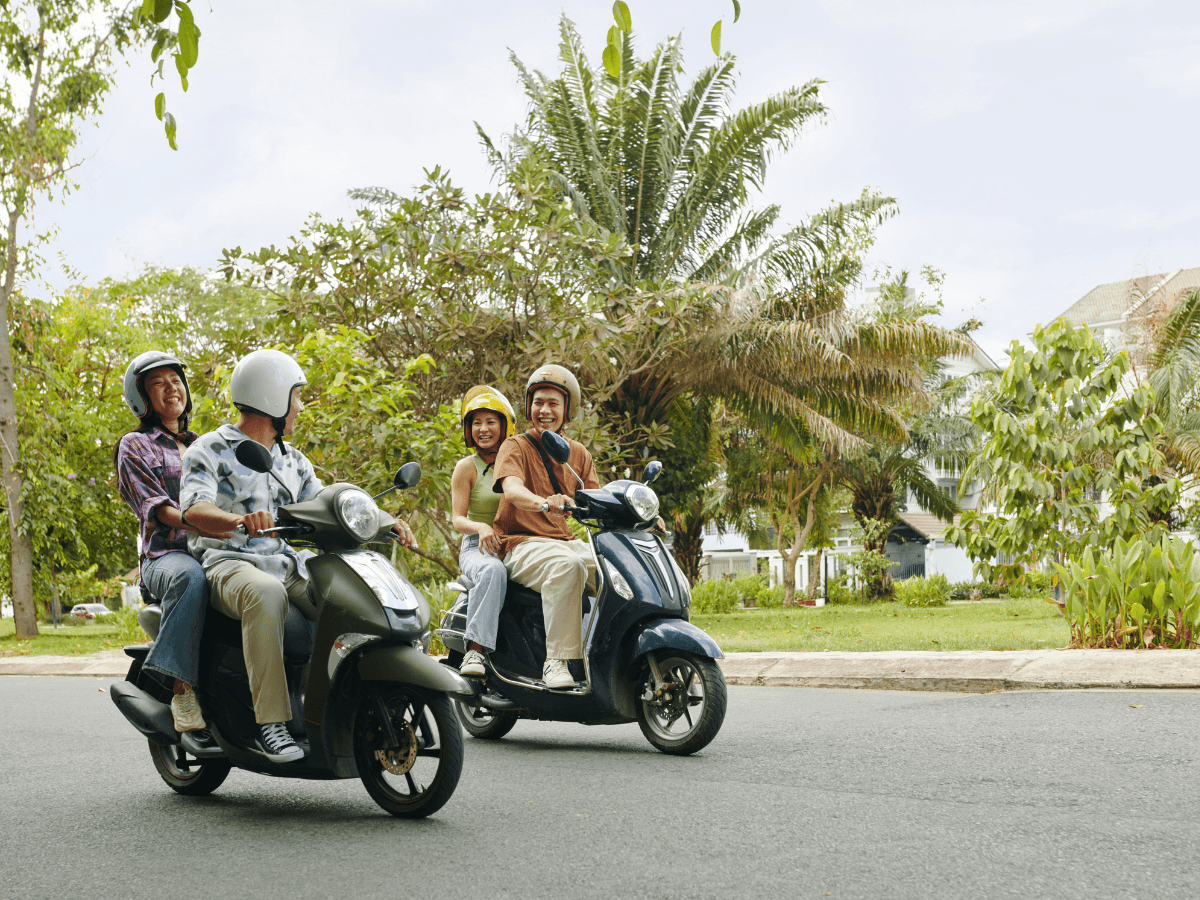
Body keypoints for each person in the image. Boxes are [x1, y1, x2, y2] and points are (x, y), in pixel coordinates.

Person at [180, 349, 417, 763]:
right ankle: (270, 723)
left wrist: (384, 520)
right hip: (229, 564)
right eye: (297, 397)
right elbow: (193, 511)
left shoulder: (293, 461)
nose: (301, 407)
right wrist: (237, 520)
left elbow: (326, 506)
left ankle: (342, 702)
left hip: (286, 564)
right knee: (266, 594)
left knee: (350, 596)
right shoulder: (210, 449)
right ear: (271, 398)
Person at [115, 351, 209, 735]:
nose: (171, 389)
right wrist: (198, 520)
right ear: (142, 399)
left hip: (215, 550)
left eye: (175, 381)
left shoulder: (206, 444)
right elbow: (155, 508)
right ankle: (181, 689)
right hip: (166, 556)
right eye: (158, 384)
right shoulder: (134, 445)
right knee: (191, 579)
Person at [491, 364, 600, 690]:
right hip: (520, 543)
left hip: (562, 542)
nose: (544, 410)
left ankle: (608, 653)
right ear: (529, 407)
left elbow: (598, 502)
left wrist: (643, 517)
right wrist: (543, 502)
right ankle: (556, 662)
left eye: (553, 403)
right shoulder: (515, 446)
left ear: (567, 410)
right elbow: (512, 490)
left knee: (617, 569)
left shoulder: (578, 454)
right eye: (538, 402)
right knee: (568, 566)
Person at [449, 385, 517, 677]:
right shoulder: (467, 467)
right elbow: (457, 519)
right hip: (478, 547)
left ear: (504, 426)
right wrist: (481, 526)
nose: (483, 428)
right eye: (476, 422)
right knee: (492, 572)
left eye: (490, 421)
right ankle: (474, 653)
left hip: (515, 543)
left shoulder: (516, 461)